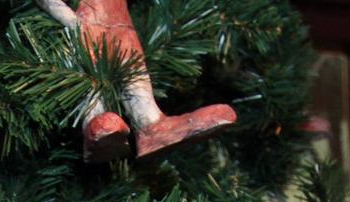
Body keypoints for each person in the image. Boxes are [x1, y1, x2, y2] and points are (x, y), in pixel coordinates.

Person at [34, 0, 237, 161]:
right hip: (84, 21)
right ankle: (95, 126)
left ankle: (151, 124)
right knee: (88, 65)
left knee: (130, 61)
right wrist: (72, 23)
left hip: (120, 24)